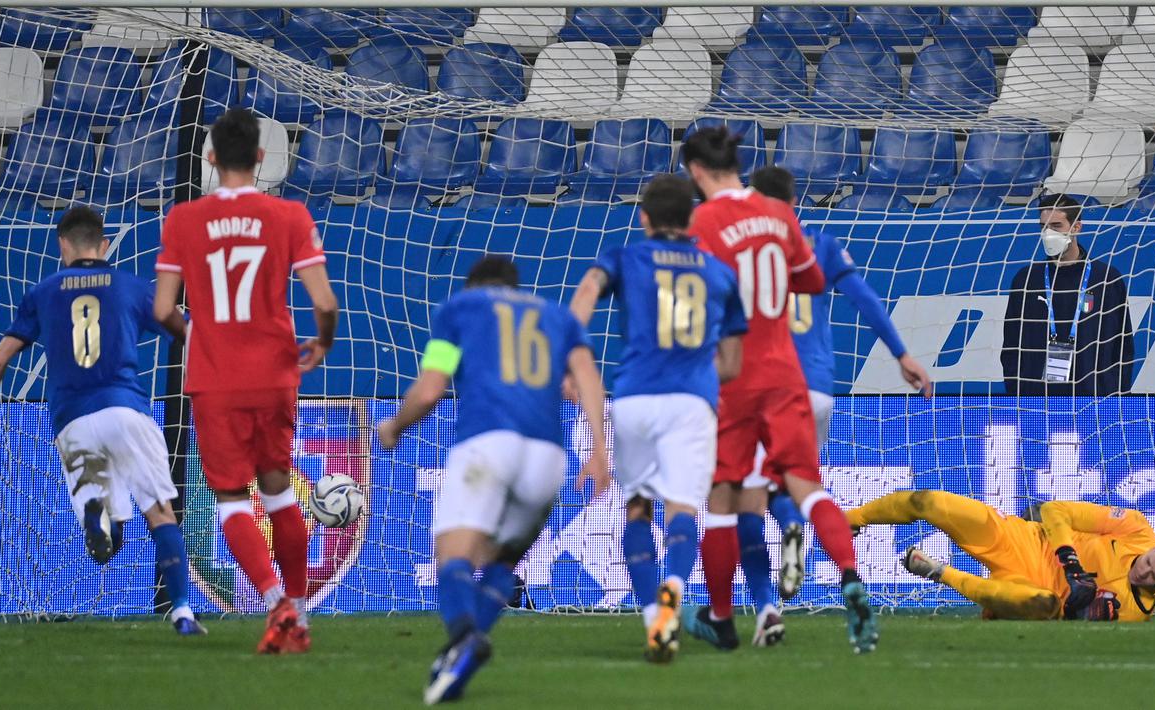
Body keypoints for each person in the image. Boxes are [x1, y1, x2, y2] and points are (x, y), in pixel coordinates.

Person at [679, 127, 877, 654]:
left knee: (723, 499)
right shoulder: (780, 215)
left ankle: (722, 618)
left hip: (734, 378)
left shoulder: (702, 222)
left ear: (697, 172)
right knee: (807, 486)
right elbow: (811, 282)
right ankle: (850, 575)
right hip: (787, 374)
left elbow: (691, 301)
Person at [379, 255, 609, 703]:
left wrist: (393, 427)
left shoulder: (459, 309)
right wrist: (600, 451)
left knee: (453, 558)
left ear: (473, 287)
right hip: (548, 454)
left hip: (487, 444)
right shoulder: (557, 317)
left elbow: (430, 390)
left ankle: (464, 636)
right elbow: (587, 378)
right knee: (503, 563)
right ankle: (457, 658)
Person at [153, 108, 339, 654]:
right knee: (279, 489)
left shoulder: (183, 219)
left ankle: (274, 600)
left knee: (231, 499)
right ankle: (299, 615)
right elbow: (324, 301)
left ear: (210, 159)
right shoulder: (290, 215)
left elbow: (165, 307)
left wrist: (198, 334)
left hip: (215, 378)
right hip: (275, 372)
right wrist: (322, 341)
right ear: (261, 158)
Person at [0, 206, 205, 636]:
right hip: (125, 410)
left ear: (62, 245)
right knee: (160, 513)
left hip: (72, 422)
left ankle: (99, 517)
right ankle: (184, 611)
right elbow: (190, 331)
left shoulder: (43, 292)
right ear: (103, 244)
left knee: (103, 551)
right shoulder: (131, 287)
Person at [569, 174, 746, 664]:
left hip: (634, 400)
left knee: (637, 509)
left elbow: (586, 290)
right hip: (692, 402)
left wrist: (571, 352)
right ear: (691, 221)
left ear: (643, 217)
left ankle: (654, 618)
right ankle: (674, 588)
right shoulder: (718, 272)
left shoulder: (625, 257)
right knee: (685, 510)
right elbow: (732, 363)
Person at [743, 166, 933, 604]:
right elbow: (864, 299)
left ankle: (764, 589)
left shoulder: (746, 252)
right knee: (802, 479)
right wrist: (902, 354)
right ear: (795, 203)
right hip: (815, 389)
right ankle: (832, 562)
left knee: (756, 486)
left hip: (765, 386)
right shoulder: (822, 246)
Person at [848, 491, 1155, 622]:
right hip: (1022, 539)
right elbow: (1055, 510)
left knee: (1043, 603)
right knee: (930, 503)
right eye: (1150, 561)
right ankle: (850, 519)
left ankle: (939, 572)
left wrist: (1081, 617)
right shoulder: (1135, 529)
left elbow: (1068, 622)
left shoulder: (1136, 612)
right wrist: (1070, 560)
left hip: (1027, 589)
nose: (1144, 572)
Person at [1002, 193, 1133, 396]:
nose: (1048, 233)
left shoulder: (1106, 278)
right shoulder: (1026, 279)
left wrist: (1115, 394)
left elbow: (1122, 345)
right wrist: (1017, 390)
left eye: (1056, 226)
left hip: (1092, 398)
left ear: (1076, 227)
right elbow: (1011, 344)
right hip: (1037, 398)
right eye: (1044, 227)